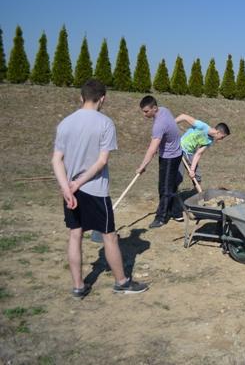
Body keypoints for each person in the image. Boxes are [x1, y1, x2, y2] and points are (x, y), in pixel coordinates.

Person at [52, 79, 148, 298]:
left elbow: (56, 160)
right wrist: (77, 183)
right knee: (109, 236)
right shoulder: (105, 123)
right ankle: (122, 282)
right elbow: (101, 161)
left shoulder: (65, 123)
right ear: (102, 98)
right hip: (95, 190)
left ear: (81, 97)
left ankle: (78, 286)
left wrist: (67, 186)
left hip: (72, 191)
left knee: (75, 234)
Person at [136, 96, 184, 229]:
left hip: (170, 157)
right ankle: (176, 212)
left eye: (146, 111)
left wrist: (142, 166)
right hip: (176, 153)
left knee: (165, 188)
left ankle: (161, 217)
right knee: (171, 185)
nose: (144, 114)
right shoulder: (164, 110)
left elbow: (151, 150)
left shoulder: (159, 124)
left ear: (154, 108)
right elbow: (170, 129)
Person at [175, 114, 230, 186]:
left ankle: (197, 195)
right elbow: (184, 116)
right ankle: (172, 195)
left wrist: (192, 170)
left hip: (189, 153)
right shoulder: (202, 126)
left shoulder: (209, 141)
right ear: (218, 132)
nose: (221, 139)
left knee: (197, 176)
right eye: (222, 137)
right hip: (179, 148)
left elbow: (198, 154)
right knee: (178, 177)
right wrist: (171, 124)